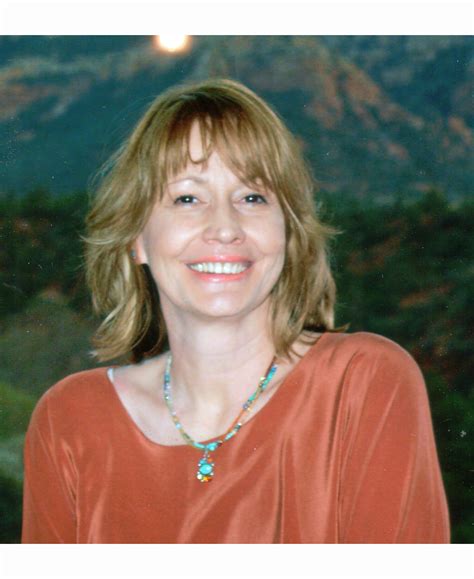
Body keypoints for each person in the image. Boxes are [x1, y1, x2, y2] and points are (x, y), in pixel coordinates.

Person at [21, 78, 450, 543]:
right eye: (187, 198)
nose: (224, 228)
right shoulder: (69, 420)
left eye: (252, 197)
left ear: (288, 232)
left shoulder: (364, 384)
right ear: (136, 238)